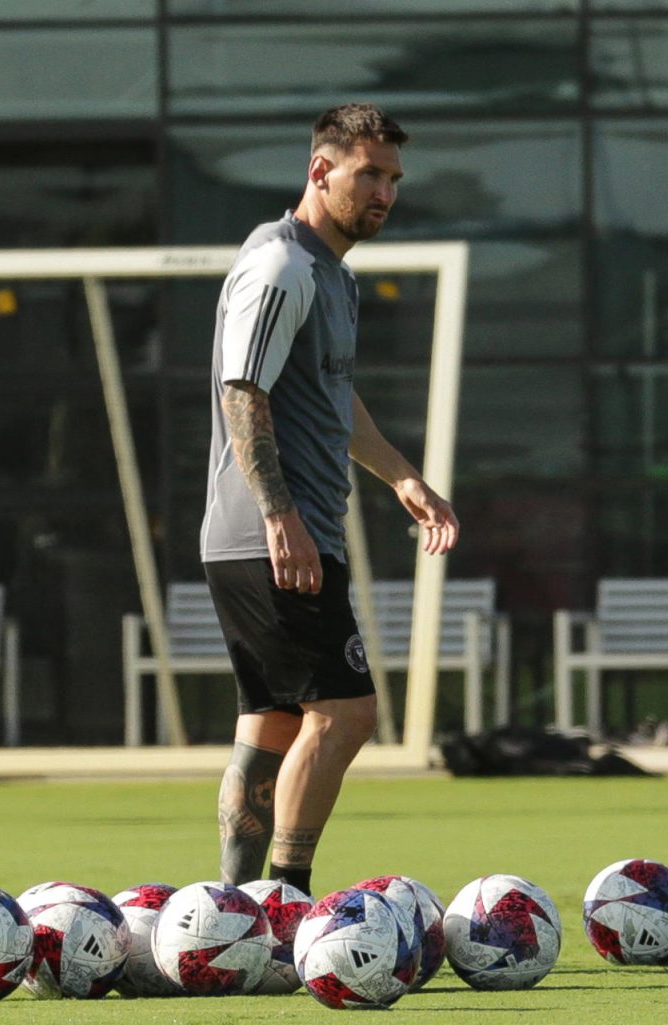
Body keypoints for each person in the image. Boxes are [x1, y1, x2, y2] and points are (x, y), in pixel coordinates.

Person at [201, 103, 459, 894]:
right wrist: (281, 515)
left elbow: (329, 398)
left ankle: (237, 914)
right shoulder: (281, 265)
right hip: (274, 532)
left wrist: (401, 476)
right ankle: (285, 903)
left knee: (273, 726)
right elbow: (242, 386)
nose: (383, 192)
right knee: (346, 714)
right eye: (368, 173)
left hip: (268, 534)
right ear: (321, 169)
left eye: (392, 178)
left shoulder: (331, 276)